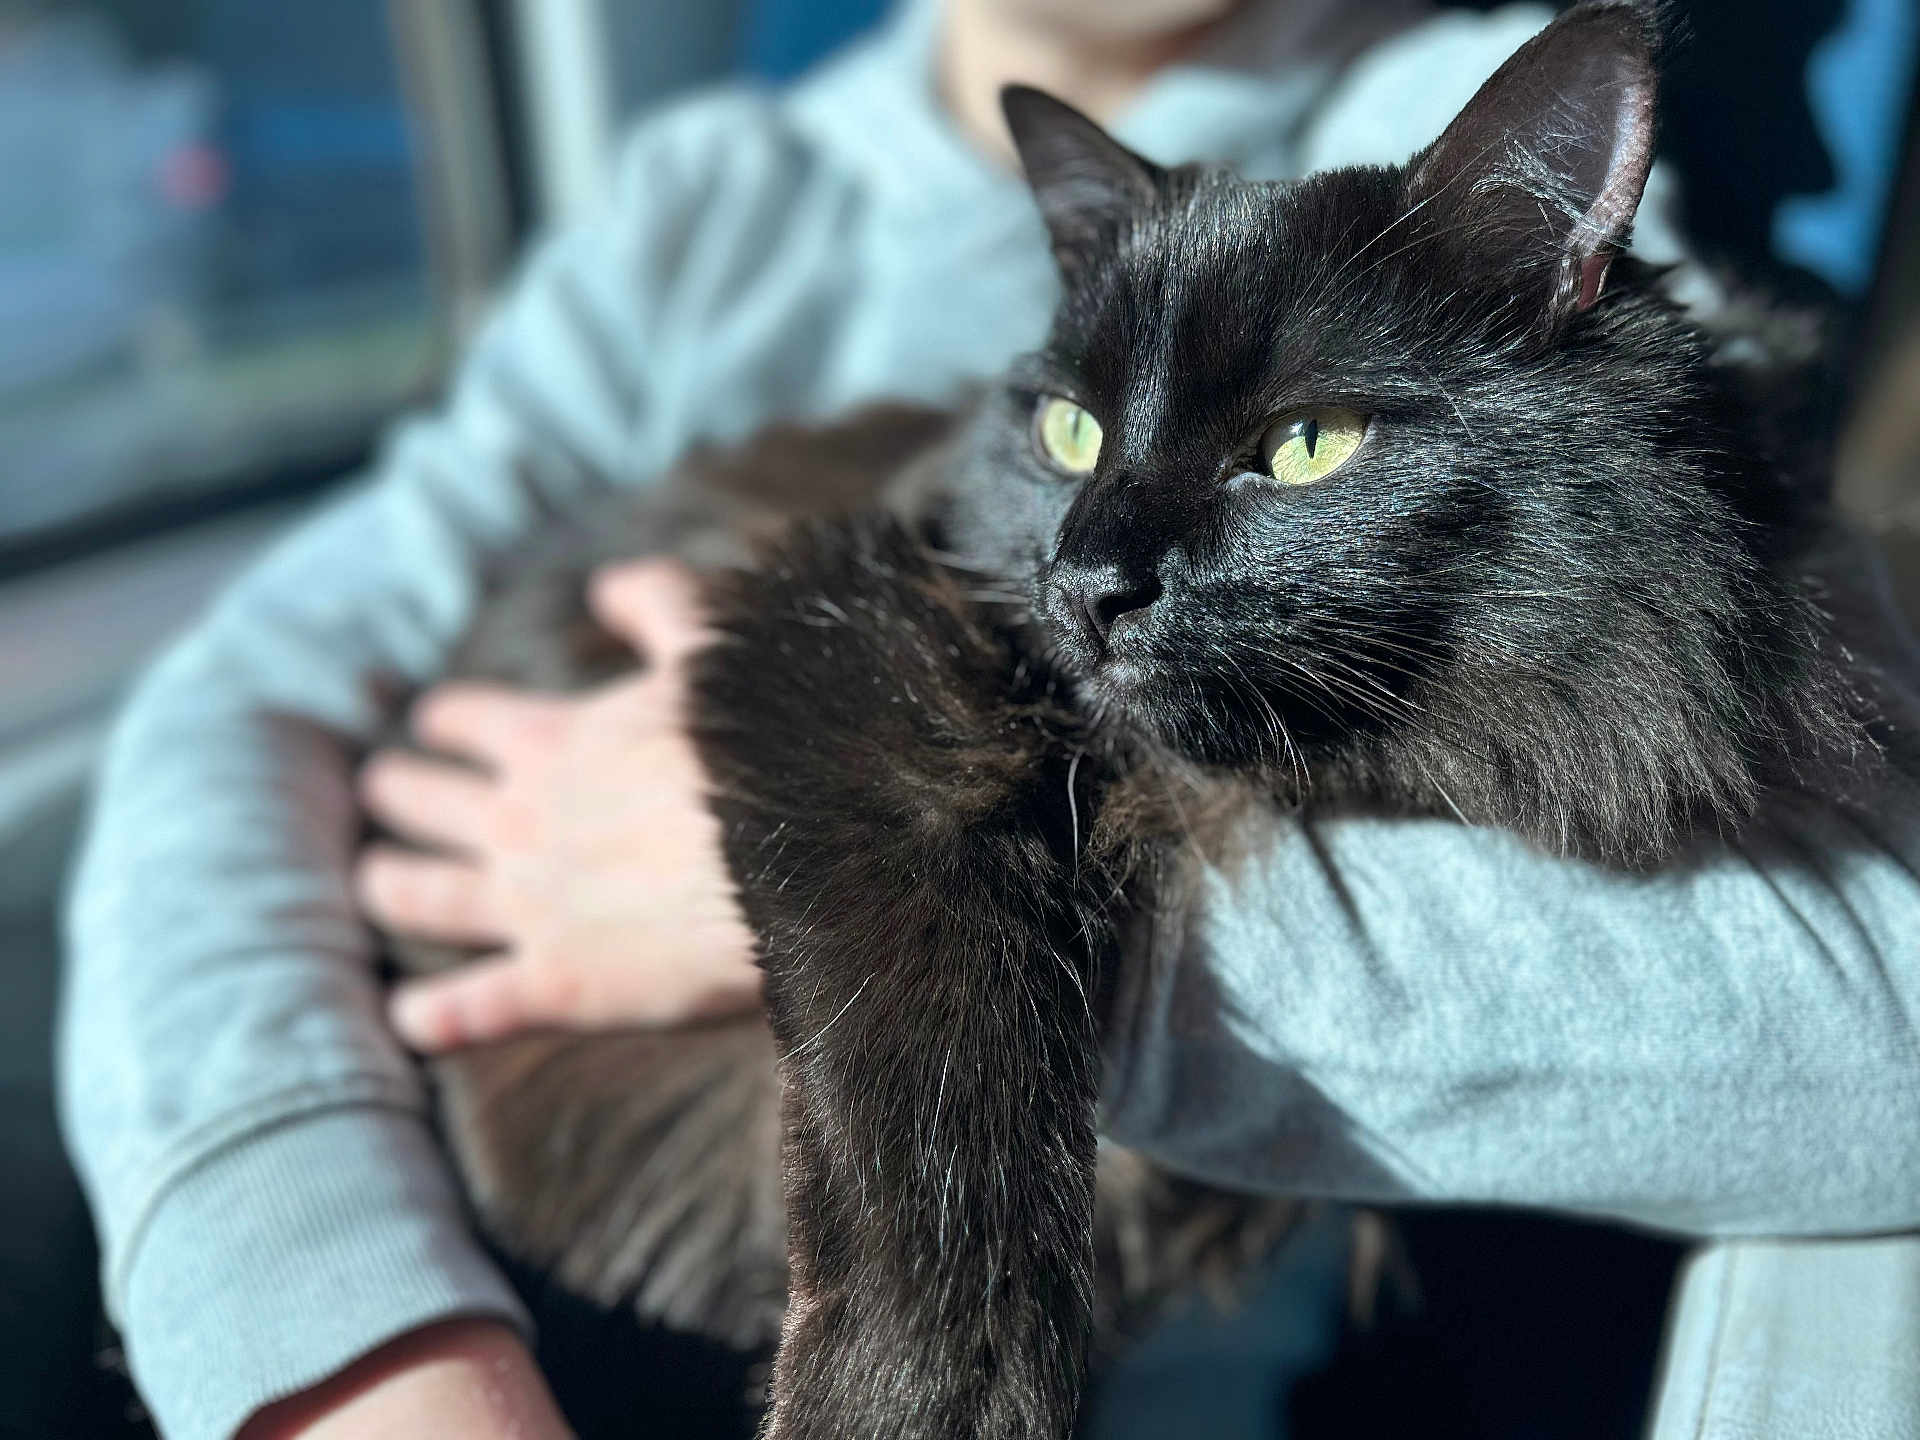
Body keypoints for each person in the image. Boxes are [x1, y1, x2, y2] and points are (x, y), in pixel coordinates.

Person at [57, 0, 1920, 1436]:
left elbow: (1858, 1007)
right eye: (1089, 435)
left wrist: (860, 905)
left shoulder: (1408, 124)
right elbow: (247, 695)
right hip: (467, 1257)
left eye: (1296, 447)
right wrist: (355, 1342)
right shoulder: (701, 213)